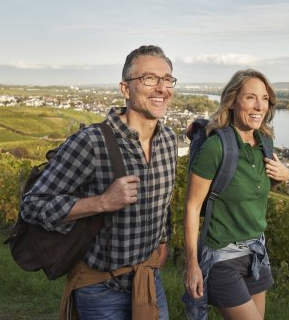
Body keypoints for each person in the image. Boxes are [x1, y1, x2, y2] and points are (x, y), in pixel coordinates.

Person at [21, 45, 177, 320]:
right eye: (149, 79)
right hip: (101, 288)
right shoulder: (91, 142)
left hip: (149, 281)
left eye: (167, 79)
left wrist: (161, 242)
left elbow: (161, 204)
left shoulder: (168, 141)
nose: (161, 88)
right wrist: (102, 202)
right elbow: (32, 205)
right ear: (125, 89)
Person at [183, 69, 289, 320]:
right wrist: (192, 266)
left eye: (264, 98)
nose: (259, 106)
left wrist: (285, 178)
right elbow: (191, 207)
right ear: (232, 101)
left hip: (256, 252)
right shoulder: (216, 147)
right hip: (222, 255)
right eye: (251, 97)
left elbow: (252, 191)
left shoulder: (265, 142)